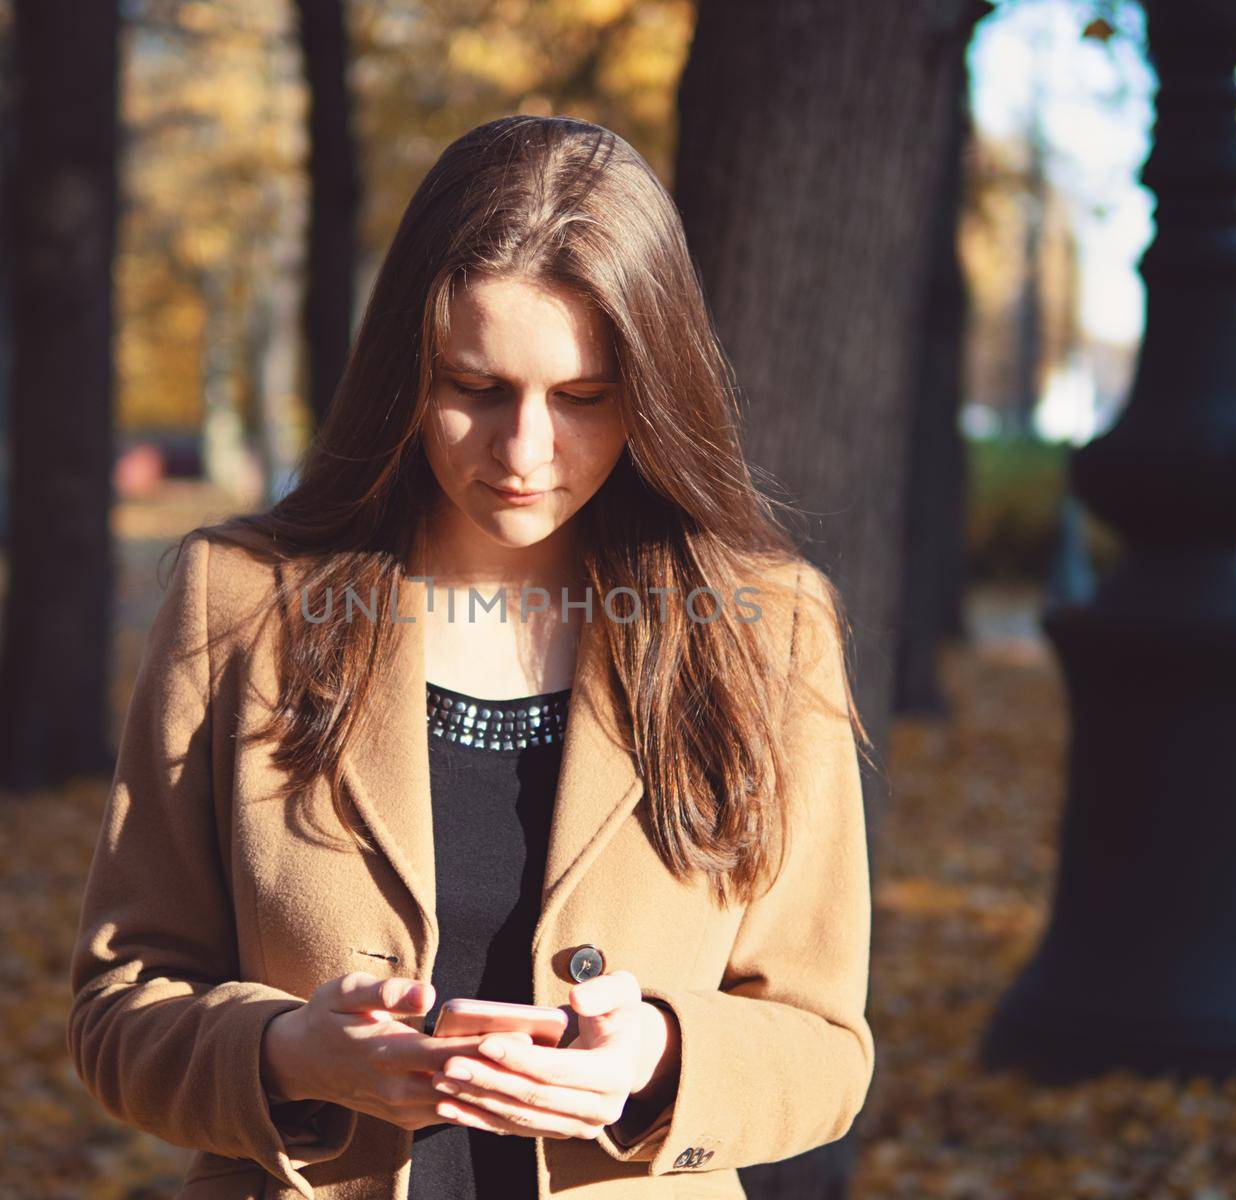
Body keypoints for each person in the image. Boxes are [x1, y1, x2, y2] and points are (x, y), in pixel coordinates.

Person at [68, 115, 876, 1200]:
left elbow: (826, 1048)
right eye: (474, 388)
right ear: (407, 371)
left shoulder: (765, 628)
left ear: (654, 390)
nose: (523, 452)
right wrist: (289, 1055)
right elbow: (121, 1008)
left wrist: (656, 1063)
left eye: (584, 399)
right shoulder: (240, 603)